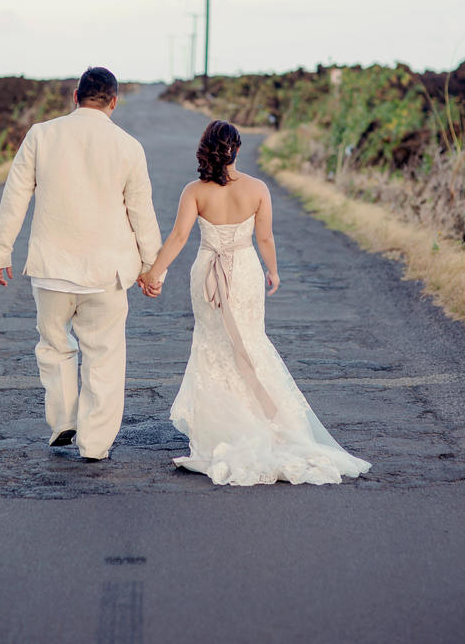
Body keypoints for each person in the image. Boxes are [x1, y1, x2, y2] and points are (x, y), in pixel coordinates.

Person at [139, 120, 371, 486]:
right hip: (245, 272)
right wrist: (273, 272)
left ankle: (221, 428)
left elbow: (179, 236)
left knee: (212, 343)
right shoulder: (258, 188)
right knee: (249, 339)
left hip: (207, 272)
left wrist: (154, 274)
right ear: (237, 149)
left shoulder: (194, 191)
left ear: (206, 150)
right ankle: (263, 421)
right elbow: (265, 238)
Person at [0, 66, 162, 461]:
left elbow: (16, 196)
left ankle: (64, 419)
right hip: (108, 273)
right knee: (104, 356)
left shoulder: (41, 134)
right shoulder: (128, 146)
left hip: (52, 269)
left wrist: (0, 252)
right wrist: (153, 269)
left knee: (54, 347)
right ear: (114, 102)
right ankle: (95, 445)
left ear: (75, 95)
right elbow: (142, 213)